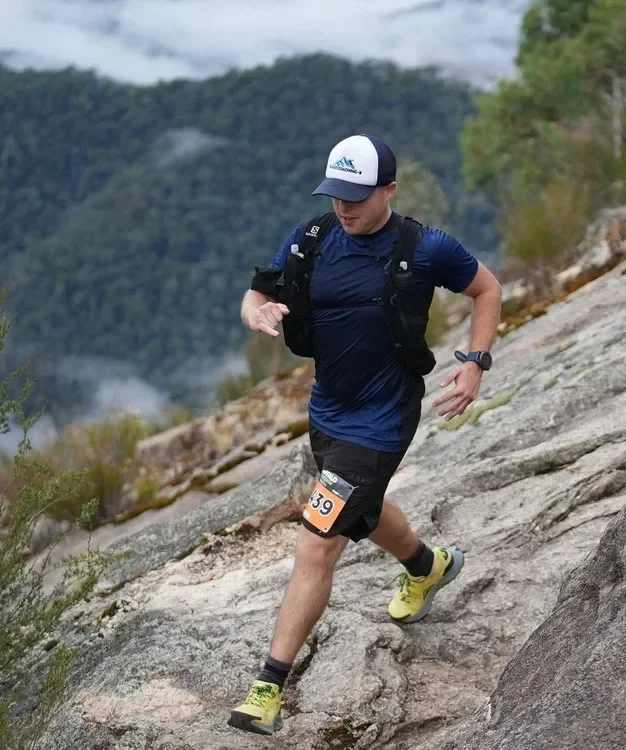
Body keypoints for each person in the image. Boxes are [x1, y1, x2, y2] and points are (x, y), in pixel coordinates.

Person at [229, 133, 502, 735]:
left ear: (389, 190)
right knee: (361, 506)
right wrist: (257, 312)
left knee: (318, 538)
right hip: (328, 410)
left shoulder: (424, 247)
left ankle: (267, 687)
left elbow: (488, 287)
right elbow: (259, 293)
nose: (344, 207)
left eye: (356, 195)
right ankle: (427, 566)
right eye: (335, 195)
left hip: (382, 417)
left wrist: (475, 361)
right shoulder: (312, 238)